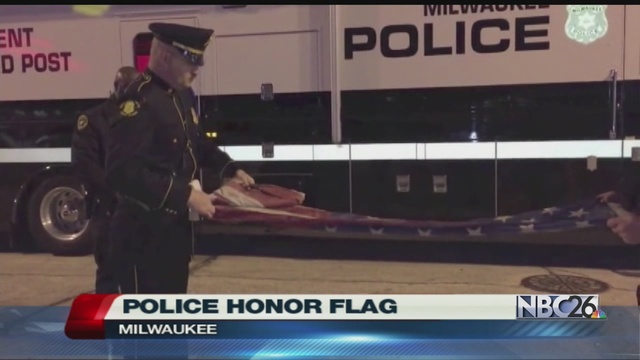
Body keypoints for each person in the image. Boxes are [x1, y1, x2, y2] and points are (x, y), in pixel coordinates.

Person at [105, 22, 254, 295]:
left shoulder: (181, 96)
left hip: (173, 234)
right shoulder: (139, 101)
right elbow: (122, 171)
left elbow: (196, 142)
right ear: (164, 57)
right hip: (142, 237)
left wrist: (229, 168)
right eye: (190, 59)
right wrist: (185, 194)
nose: (197, 68)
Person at [71, 66, 140, 294]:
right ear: (117, 87)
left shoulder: (142, 118)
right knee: (109, 272)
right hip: (109, 206)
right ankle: (106, 323)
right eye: (128, 89)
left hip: (140, 207)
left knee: (137, 273)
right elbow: (85, 163)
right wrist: (116, 188)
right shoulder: (93, 119)